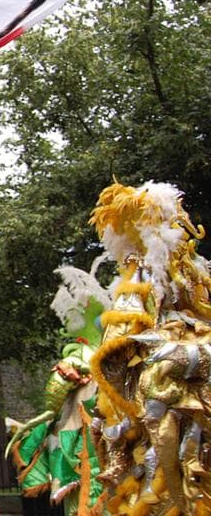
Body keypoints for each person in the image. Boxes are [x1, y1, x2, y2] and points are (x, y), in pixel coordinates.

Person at [88, 181, 211, 514]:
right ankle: (125, 454)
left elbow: (201, 306)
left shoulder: (193, 269)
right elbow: (124, 323)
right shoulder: (140, 270)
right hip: (157, 349)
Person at [5, 260, 107, 515]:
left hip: (84, 439)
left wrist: (48, 414)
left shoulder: (79, 357)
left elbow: (56, 390)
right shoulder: (104, 358)